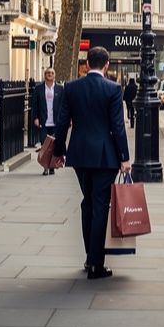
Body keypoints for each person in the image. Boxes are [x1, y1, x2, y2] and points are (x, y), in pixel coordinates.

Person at [52, 46, 131, 280]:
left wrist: (59, 151)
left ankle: (89, 258)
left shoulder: (71, 87)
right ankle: (96, 265)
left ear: (86, 64)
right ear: (106, 65)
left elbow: (62, 121)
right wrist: (124, 157)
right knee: (99, 206)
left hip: (79, 154)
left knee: (88, 203)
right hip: (105, 156)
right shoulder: (113, 89)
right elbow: (117, 126)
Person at [31, 68, 63, 175]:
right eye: (48, 73)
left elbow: (64, 106)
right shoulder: (38, 88)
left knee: (54, 146)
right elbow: (34, 105)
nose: (50, 74)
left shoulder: (60, 89)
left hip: (55, 122)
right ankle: (45, 167)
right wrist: (35, 118)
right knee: (44, 146)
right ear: (45, 75)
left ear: (55, 75)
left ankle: (52, 166)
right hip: (43, 122)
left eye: (52, 73)